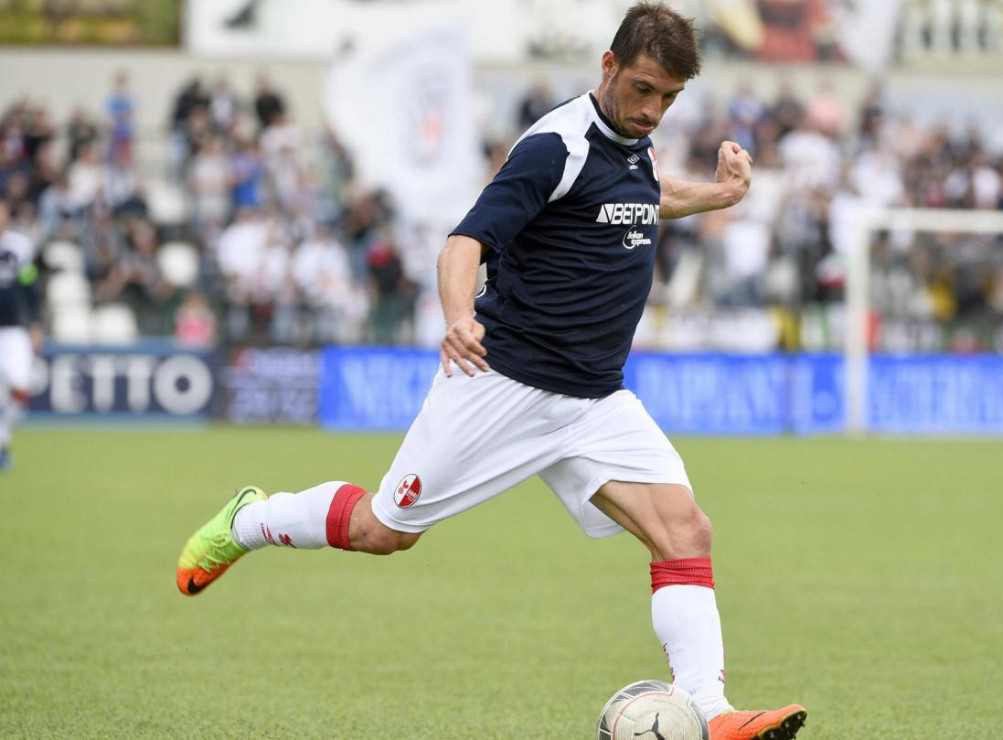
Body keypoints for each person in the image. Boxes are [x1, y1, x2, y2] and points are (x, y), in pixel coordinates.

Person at [175, 4, 807, 739]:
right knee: (385, 529)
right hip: (503, 383)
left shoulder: (633, 144)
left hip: (594, 401)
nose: (652, 110)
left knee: (686, 531)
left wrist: (719, 195)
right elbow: (463, 244)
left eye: (668, 97)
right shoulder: (554, 146)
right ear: (608, 65)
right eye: (642, 89)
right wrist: (457, 317)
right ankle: (249, 521)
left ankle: (711, 711)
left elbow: (642, 198)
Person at [0, 202, 40, 470]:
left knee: (21, 385)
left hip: (13, 328)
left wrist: (35, 322)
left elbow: (29, 283)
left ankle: (2, 434)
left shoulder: (19, 246)